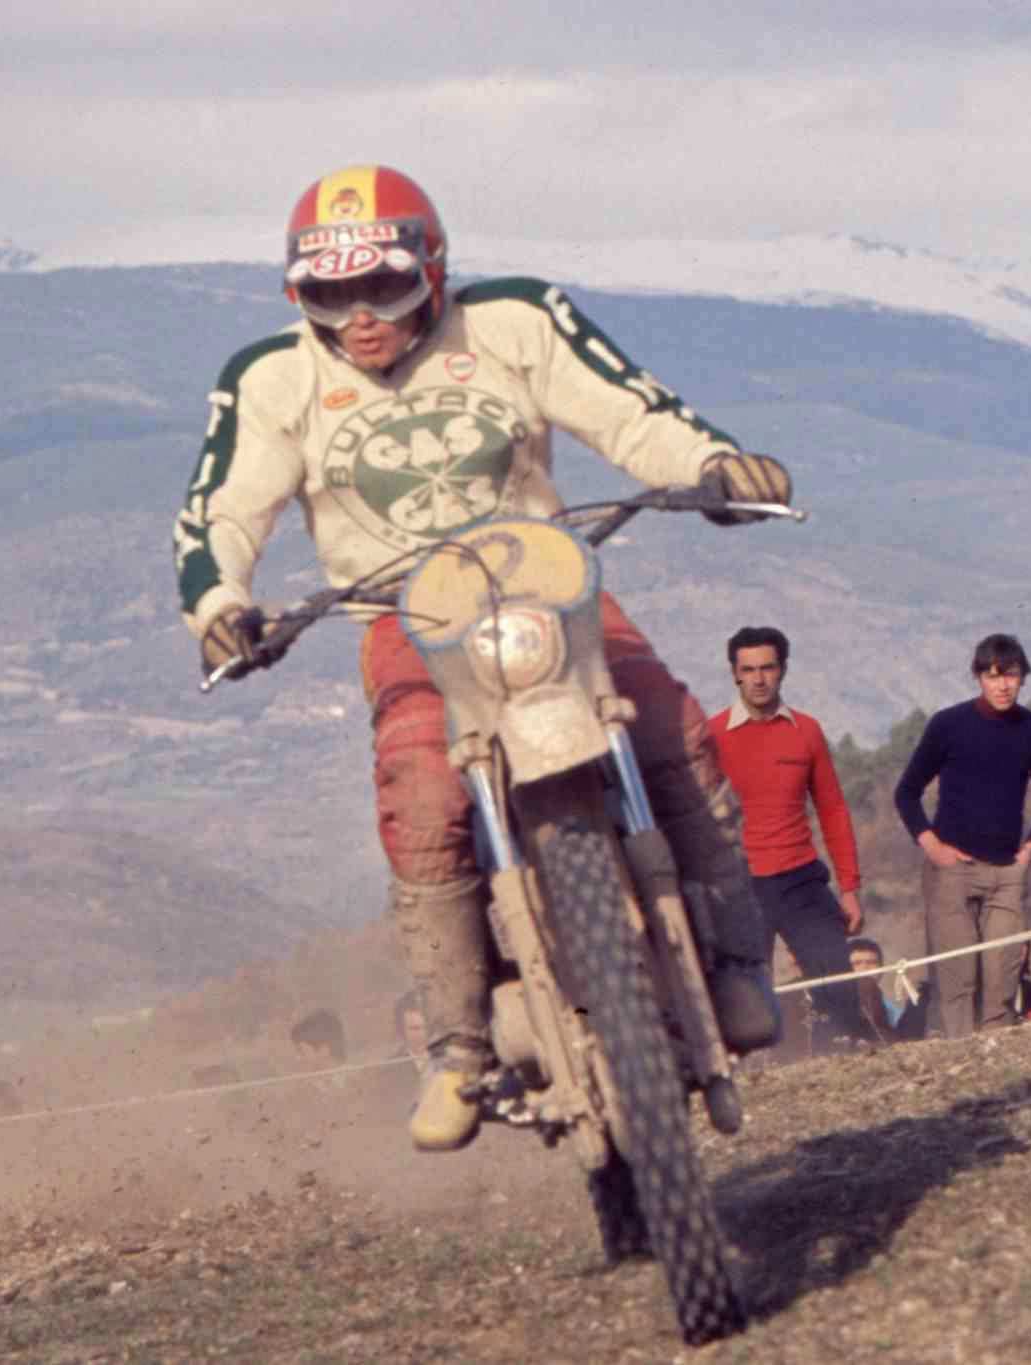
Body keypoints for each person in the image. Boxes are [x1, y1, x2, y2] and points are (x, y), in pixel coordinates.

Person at [173, 165, 793, 1152]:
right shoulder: (271, 377)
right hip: (403, 613)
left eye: (383, 286)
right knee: (423, 796)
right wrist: (222, 609)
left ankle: (736, 962)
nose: (360, 316)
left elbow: (631, 412)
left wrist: (716, 468)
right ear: (299, 297)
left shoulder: (513, 321)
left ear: (433, 269)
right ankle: (457, 1043)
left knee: (674, 729)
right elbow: (224, 511)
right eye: (330, 295)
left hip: (546, 577)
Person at [891, 633, 1031, 1037]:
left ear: (1023, 677)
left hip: (1006, 873)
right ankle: (955, 1061)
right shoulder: (948, 725)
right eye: (993, 676)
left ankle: (996, 1059)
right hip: (952, 872)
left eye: (1011, 675)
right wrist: (932, 846)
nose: (1002, 685)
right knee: (956, 982)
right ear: (978, 677)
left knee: (1001, 981)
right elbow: (907, 792)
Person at [709, 626, 870, 1047]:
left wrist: (849, 887)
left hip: (801, 880)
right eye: (748, 670)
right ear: (735, 674)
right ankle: (751, 1075)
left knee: (837, 983)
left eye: (767, 668)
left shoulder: (807, 731)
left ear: (782, 670)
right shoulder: (712, 736)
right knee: (745, 998)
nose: (758, 679)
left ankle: (846, 1058)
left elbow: (832, 809)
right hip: (741, 884)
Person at [844, 937, 923, 1041]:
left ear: (881, 969)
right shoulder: (836, 1001)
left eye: (871, 963)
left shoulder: (890, 1008)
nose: (864, 968)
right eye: (856, 963)